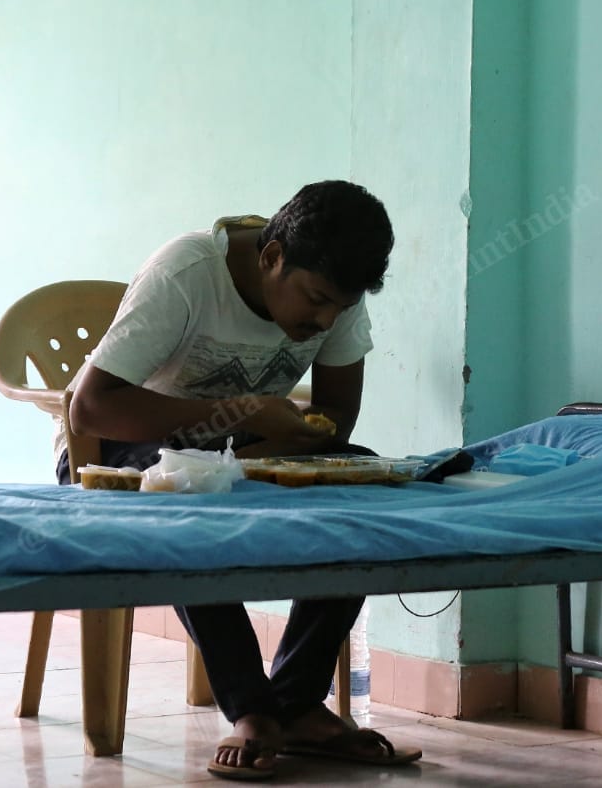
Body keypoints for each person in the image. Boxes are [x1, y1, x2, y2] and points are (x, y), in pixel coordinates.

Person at [63, 180, 421, 780]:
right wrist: (241, 413)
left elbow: (336, 422)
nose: (324, 319)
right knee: (183, 494)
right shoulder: (188, 273)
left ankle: (298, 702)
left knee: (359, 480)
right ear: (272, 256)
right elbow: (90, 411)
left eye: (340, 306)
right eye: (315, 299)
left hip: (237, 448)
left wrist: (283, 437)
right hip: (119, 449)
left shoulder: (337, 290)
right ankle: (253, 709)